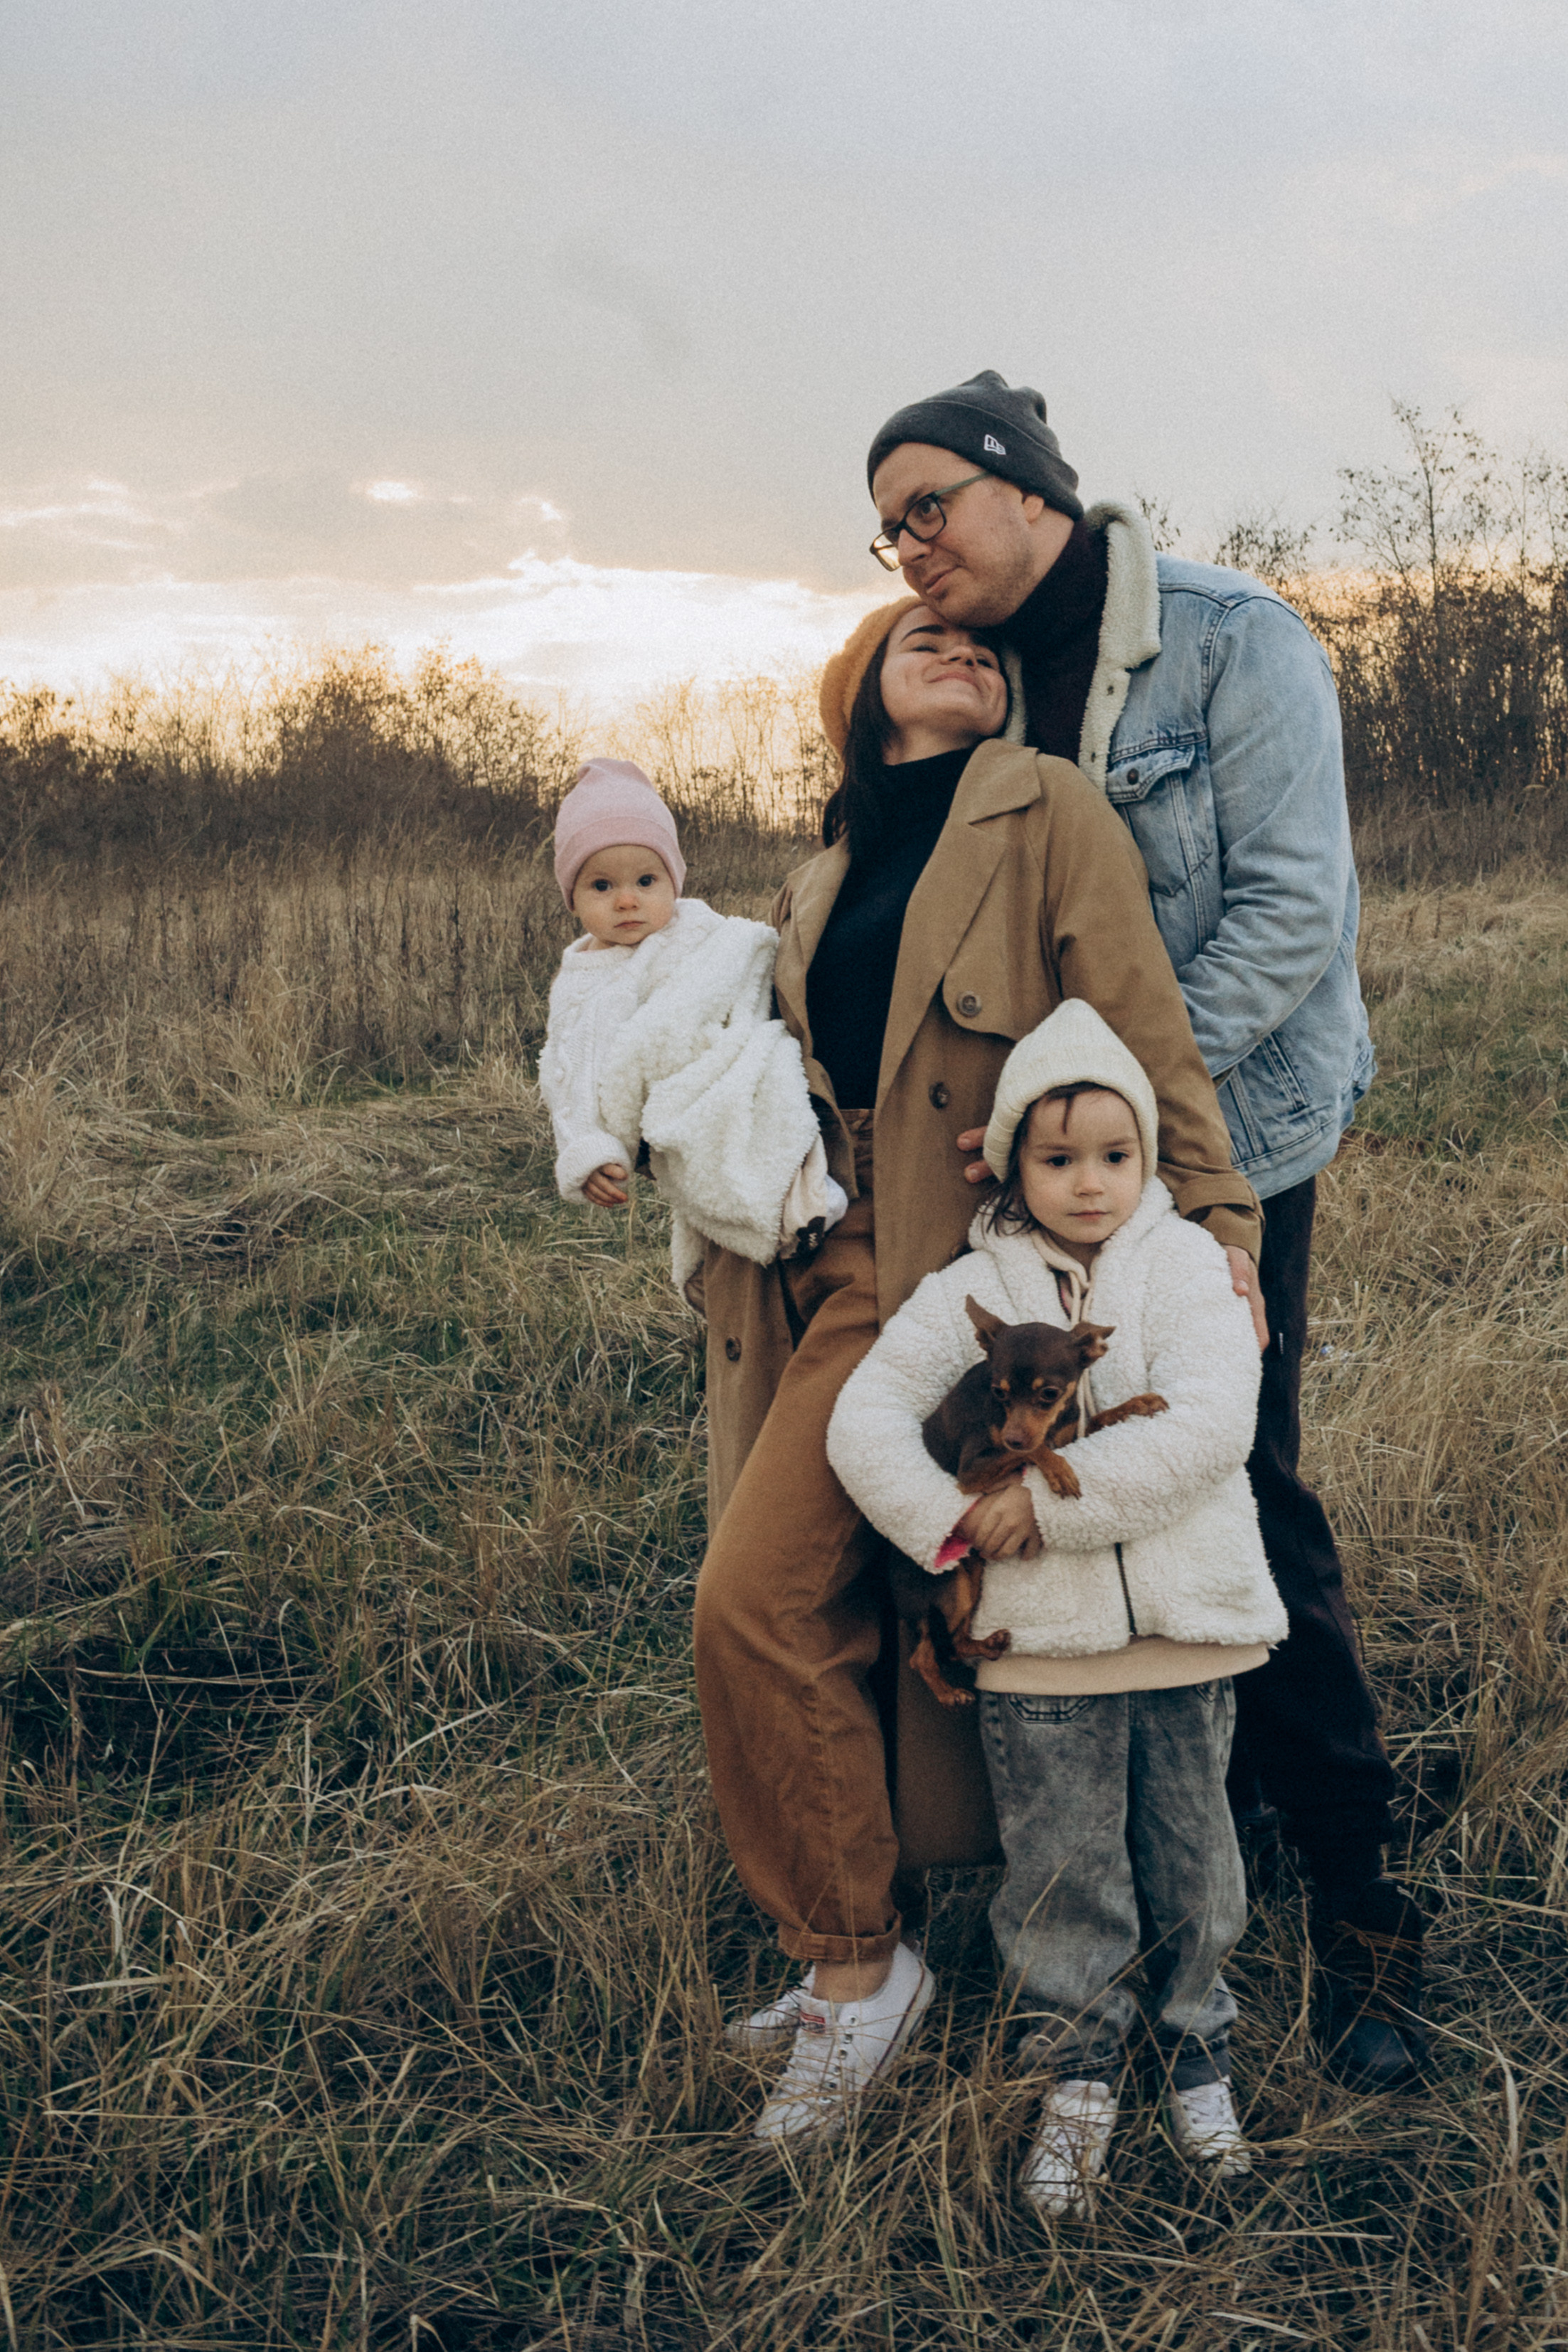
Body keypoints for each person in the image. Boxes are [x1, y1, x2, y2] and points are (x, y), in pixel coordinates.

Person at [863, 371, 1424, 2087]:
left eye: (928, 504)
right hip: (1036, 1178)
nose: (908, 546)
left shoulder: (1230, 640)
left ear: (1029, 487)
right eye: (885, 530)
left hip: (1229, 1132)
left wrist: (1113, 1104)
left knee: (1236, 1475)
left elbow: (1290, 914)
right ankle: (1163, 1850)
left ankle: (1359, 1898)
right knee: (1061, 1460)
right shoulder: (965, 686)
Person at [693, 600, 1262, 2143]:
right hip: (800, 1251)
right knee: (832, 1599)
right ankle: (857, 1943)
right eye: (917, 635)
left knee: (754, 1597)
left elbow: (1138, 1022)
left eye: (978, 645)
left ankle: (858, 1967)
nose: (959, 646)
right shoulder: (824, 868)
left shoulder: (1043, 805)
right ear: (856, 685)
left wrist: (1216, 1214)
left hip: (927, 1264)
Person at [826, 999, 1287, 2217]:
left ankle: (1197, 2053)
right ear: (1009, 1163)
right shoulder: (968, 1290)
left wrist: (1047, 1507)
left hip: (1186, 1630)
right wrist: (951, 1523)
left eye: (1116, 1154)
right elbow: (863, 1419)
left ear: (1148, 1155)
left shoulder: (1189, 1268)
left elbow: (1212, 1425)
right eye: (1057, 1157)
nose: (1090, 1182)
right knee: (1058, 1869)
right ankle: (1075, 2072)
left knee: (1195, 1860)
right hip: (1038, 1652)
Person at [538, 757, 846, 1288]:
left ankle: (801, 1188)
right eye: (602, 886)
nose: (627, 900)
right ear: (573, 898)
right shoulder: (582, 979)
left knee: (765, 1088)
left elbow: (746, 960)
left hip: (727, 1055)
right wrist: (588, 1151)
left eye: (646, 880)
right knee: (693, 1136)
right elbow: (569, 1073)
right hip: (664, 1096)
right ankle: (772, 1215)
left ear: (672, 881)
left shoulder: (702, 930)